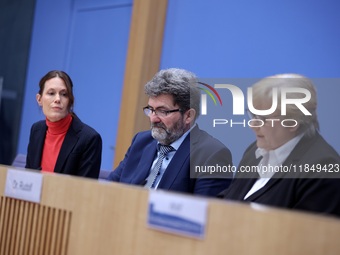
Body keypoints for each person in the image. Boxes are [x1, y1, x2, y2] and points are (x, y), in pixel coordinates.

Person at [219, 74, 340, 217]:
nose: (252, 125)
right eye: (253, 115)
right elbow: (231, 199)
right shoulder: (256, 151)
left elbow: (306, 235)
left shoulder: (323, 169)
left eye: (262, 118)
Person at [107, 68, 233, 197]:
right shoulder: (141, 141)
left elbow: (204, 213)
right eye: (151, 109)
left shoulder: (211, 155)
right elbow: (110, 187)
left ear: (188, 115)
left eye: (163, 111)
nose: (153, 118)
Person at [25, 70, 102, 179]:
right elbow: (28, 175)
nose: (57, 99)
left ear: (70, 101)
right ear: (39, 99)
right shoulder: (36, 130)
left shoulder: (89, 139)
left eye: (64, 94)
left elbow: (85, 190)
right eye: (51, 93)